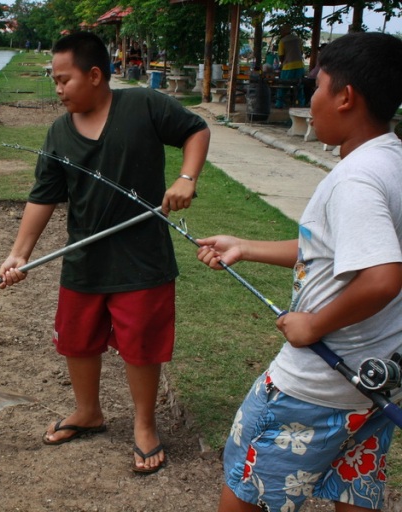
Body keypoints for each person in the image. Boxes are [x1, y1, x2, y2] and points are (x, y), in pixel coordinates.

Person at [196, 32, 402, 511]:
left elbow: (381, 277)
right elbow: (331, 252)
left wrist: (313, 323)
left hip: (312, 389)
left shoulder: (356, 179)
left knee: (246, 491)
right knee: (353, 493)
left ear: (345, 97)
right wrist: (245, 246)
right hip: (373, 387)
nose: (312, 98)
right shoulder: (393, 162)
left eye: (318, 86)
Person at [0, 31, 210, 474]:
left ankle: (145, 425)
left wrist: (186, 178)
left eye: (64, 80)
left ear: (95, 75)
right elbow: (43, 197)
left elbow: (196, 130)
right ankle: (88, 411)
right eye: (53, 80)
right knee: (78, 339)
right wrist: (19, 254)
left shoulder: (143, 106)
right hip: (85, 255)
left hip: (143, 257)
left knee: (141, 346)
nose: (57, 89)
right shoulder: (58, 133)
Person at [275, 25, 306, 108]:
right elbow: (301, 52)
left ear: (283, 32)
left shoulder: (283, 41)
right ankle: (300, 104)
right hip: (299, 66)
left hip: (288, 67)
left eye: (281, 31)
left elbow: (281, 55)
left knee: (283, 86)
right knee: (299, 86)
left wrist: (283, 63)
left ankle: (280, 104)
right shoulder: (298, 39)